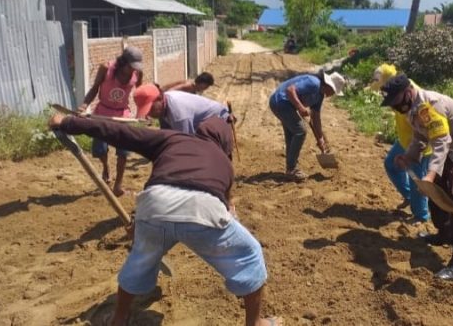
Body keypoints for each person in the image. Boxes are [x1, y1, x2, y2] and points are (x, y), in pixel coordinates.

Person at [48, 112, 281, 326]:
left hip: (154, 205)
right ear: (224, 143)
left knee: (139, 260)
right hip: (203, 209)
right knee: (249, 254)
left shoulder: (172, 139)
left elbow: (120, 133)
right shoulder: (225, 164)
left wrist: (68, 122)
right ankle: (256, 323)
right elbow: (229, 211)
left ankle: (120, 318)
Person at [380, 73, 453, 282]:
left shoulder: (429, 106)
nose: (395, 107)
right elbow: (421, 137)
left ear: (407, 92)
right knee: (437, 189)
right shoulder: (413, 109)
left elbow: (441, 141)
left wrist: (430, 175)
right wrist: (409, 156)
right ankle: (444, 234)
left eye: (395, 101)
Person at [79, 46, 144, 196]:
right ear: (123, 62)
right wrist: (84, 105)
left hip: (123, 116)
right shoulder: (106, 68)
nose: (132, 70)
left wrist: (142, 112)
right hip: (102, 113)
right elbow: (95, 88)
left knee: (123, 152)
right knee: (100, 149)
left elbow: (140, 93)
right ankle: (106, 166)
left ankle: (118, 185)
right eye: (130, 66)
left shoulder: (137, 74)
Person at [369, 64, 430, 223]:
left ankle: (421, 215)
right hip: (404, 140)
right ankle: (409, 197)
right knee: (390, 164)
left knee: (416, 177)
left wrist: (410, 153)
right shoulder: (396, 91)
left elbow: (422, 130)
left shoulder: (410, 94)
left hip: (417, 145)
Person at [269, 70, 345, 181]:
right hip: (280, 102)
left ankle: (290, 169)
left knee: (292, 133)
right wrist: (300, 107)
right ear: (329, 85)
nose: (333, 94)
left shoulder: (320, 96)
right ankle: (291, 169)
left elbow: (316, 118)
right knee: (301, 131)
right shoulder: (313, 83)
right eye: (334, 91)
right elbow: (290, 90)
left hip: (286, 105)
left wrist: (320, 139)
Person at [133, 83, 233, 137]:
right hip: (201, 124)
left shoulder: (179, 115)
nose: (149, 114)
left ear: (159, 98)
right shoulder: (165, 102)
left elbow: (187, 145)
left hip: (220, 122)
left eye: (150, 108)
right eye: (146, 111)